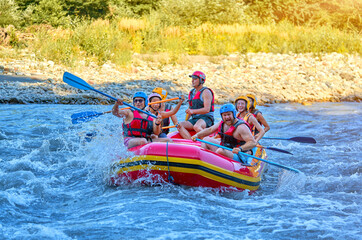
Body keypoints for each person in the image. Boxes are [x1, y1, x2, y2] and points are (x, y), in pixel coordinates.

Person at [191, 103, 256, 163]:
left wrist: (240, 148)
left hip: (239, 154)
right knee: (205, 139)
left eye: (228, 114)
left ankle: (213, 163)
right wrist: (197, 135)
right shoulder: (222, 123)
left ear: (233, 114)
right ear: (222, 116)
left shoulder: (241, 127)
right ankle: (205, 162)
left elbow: (253, 142)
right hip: (226, 148)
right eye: (224, 115)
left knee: (220, 151)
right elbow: (210, 130)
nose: (227, 117)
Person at [177, 71, 215, 139]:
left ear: (201, 80)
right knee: (179, 125)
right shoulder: (192, 92)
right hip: (195, 118)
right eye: (192, 79)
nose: (192, 81)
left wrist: (192, 111)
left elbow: (207, 109)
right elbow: (190, 108)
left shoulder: (206, 92)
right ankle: (190, 142)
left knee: (197, 127)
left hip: (206, 118)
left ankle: (208, 142)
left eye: (195, 79)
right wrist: (187, 119)